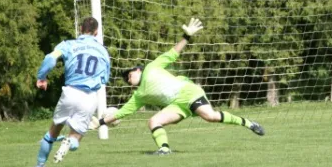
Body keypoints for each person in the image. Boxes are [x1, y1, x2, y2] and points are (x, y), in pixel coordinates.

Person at [92, 17, 264, 155]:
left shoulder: (152, 67)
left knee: (209, 116)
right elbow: (122, 113)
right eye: (127, 80)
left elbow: (174, 52)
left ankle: (248, 123)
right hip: (176, 105)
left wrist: (187, 36)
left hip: (188, 92)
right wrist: (100, 122)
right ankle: (165, 149)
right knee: (153, 121)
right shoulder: (139, 96)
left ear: (138, 70)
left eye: (129, 75)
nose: (129, 80)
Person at [33, 17, 111, 167]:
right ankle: (70, 141)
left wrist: (42, 77)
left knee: (52, 133)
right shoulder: (103, 51)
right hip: (90, 97)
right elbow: (104, 79)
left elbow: (50, 58)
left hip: (70, 92)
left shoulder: (68, 44)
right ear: (96, 32)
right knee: (77, 136)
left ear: (80, 29)